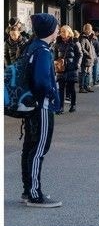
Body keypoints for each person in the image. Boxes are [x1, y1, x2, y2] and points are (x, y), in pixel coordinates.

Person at [20, 13, 62, 208]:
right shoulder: (44, 51)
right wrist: (52, 94)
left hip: (30, 106)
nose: (58, 29)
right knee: (39, 149)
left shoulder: (32, 47)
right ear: (50, 30)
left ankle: (28, 190)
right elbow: (42, 81)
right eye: (56, 27)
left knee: (29, 147)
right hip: (42, 106)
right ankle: (35, 194)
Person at [52, 25, 80, 113]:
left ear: (69, 32)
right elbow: (55, 56)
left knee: (71, 88)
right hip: (61, 69)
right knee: (61, 89)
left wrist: (76, 65)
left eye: (64, 31)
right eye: (61, 31)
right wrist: (56, 63)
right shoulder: (58, 43)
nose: (62, 33)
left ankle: (73, 105)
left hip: (71, 68)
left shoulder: (74, 42)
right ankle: (60, 107)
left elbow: (79, 54)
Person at [77, 23, 96, 94]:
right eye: (90, 29)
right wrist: (88, 54)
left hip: (89, 59)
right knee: (83, 73)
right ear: (87, 30)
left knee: (87, 73)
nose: (91, 31)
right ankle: (82, 87)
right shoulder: (83, 38)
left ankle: (86, 86)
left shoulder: (88, 37)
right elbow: (82, 48)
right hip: (85, 59)